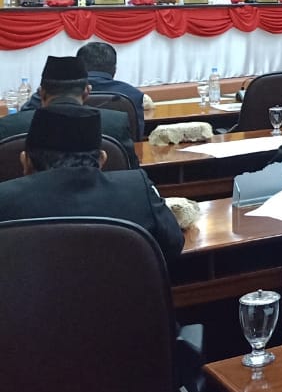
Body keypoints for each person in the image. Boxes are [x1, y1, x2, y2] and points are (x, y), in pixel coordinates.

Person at [0, 105, 185, 265]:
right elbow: (173, 244)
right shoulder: (137, 189)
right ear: (103, 159)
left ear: (26, 161)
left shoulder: (5, 200)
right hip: (128, 304)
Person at [0, 56, 138, 167]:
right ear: (87, 92)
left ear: (41, 93)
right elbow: (131, 170)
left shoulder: (8, 126)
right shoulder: (115, 123)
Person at [75, 41, 145, 131]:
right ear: (114, 69)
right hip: (122, 145)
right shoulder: (133, 95)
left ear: (78, 67)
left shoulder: (64, 93)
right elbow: (137, 135)